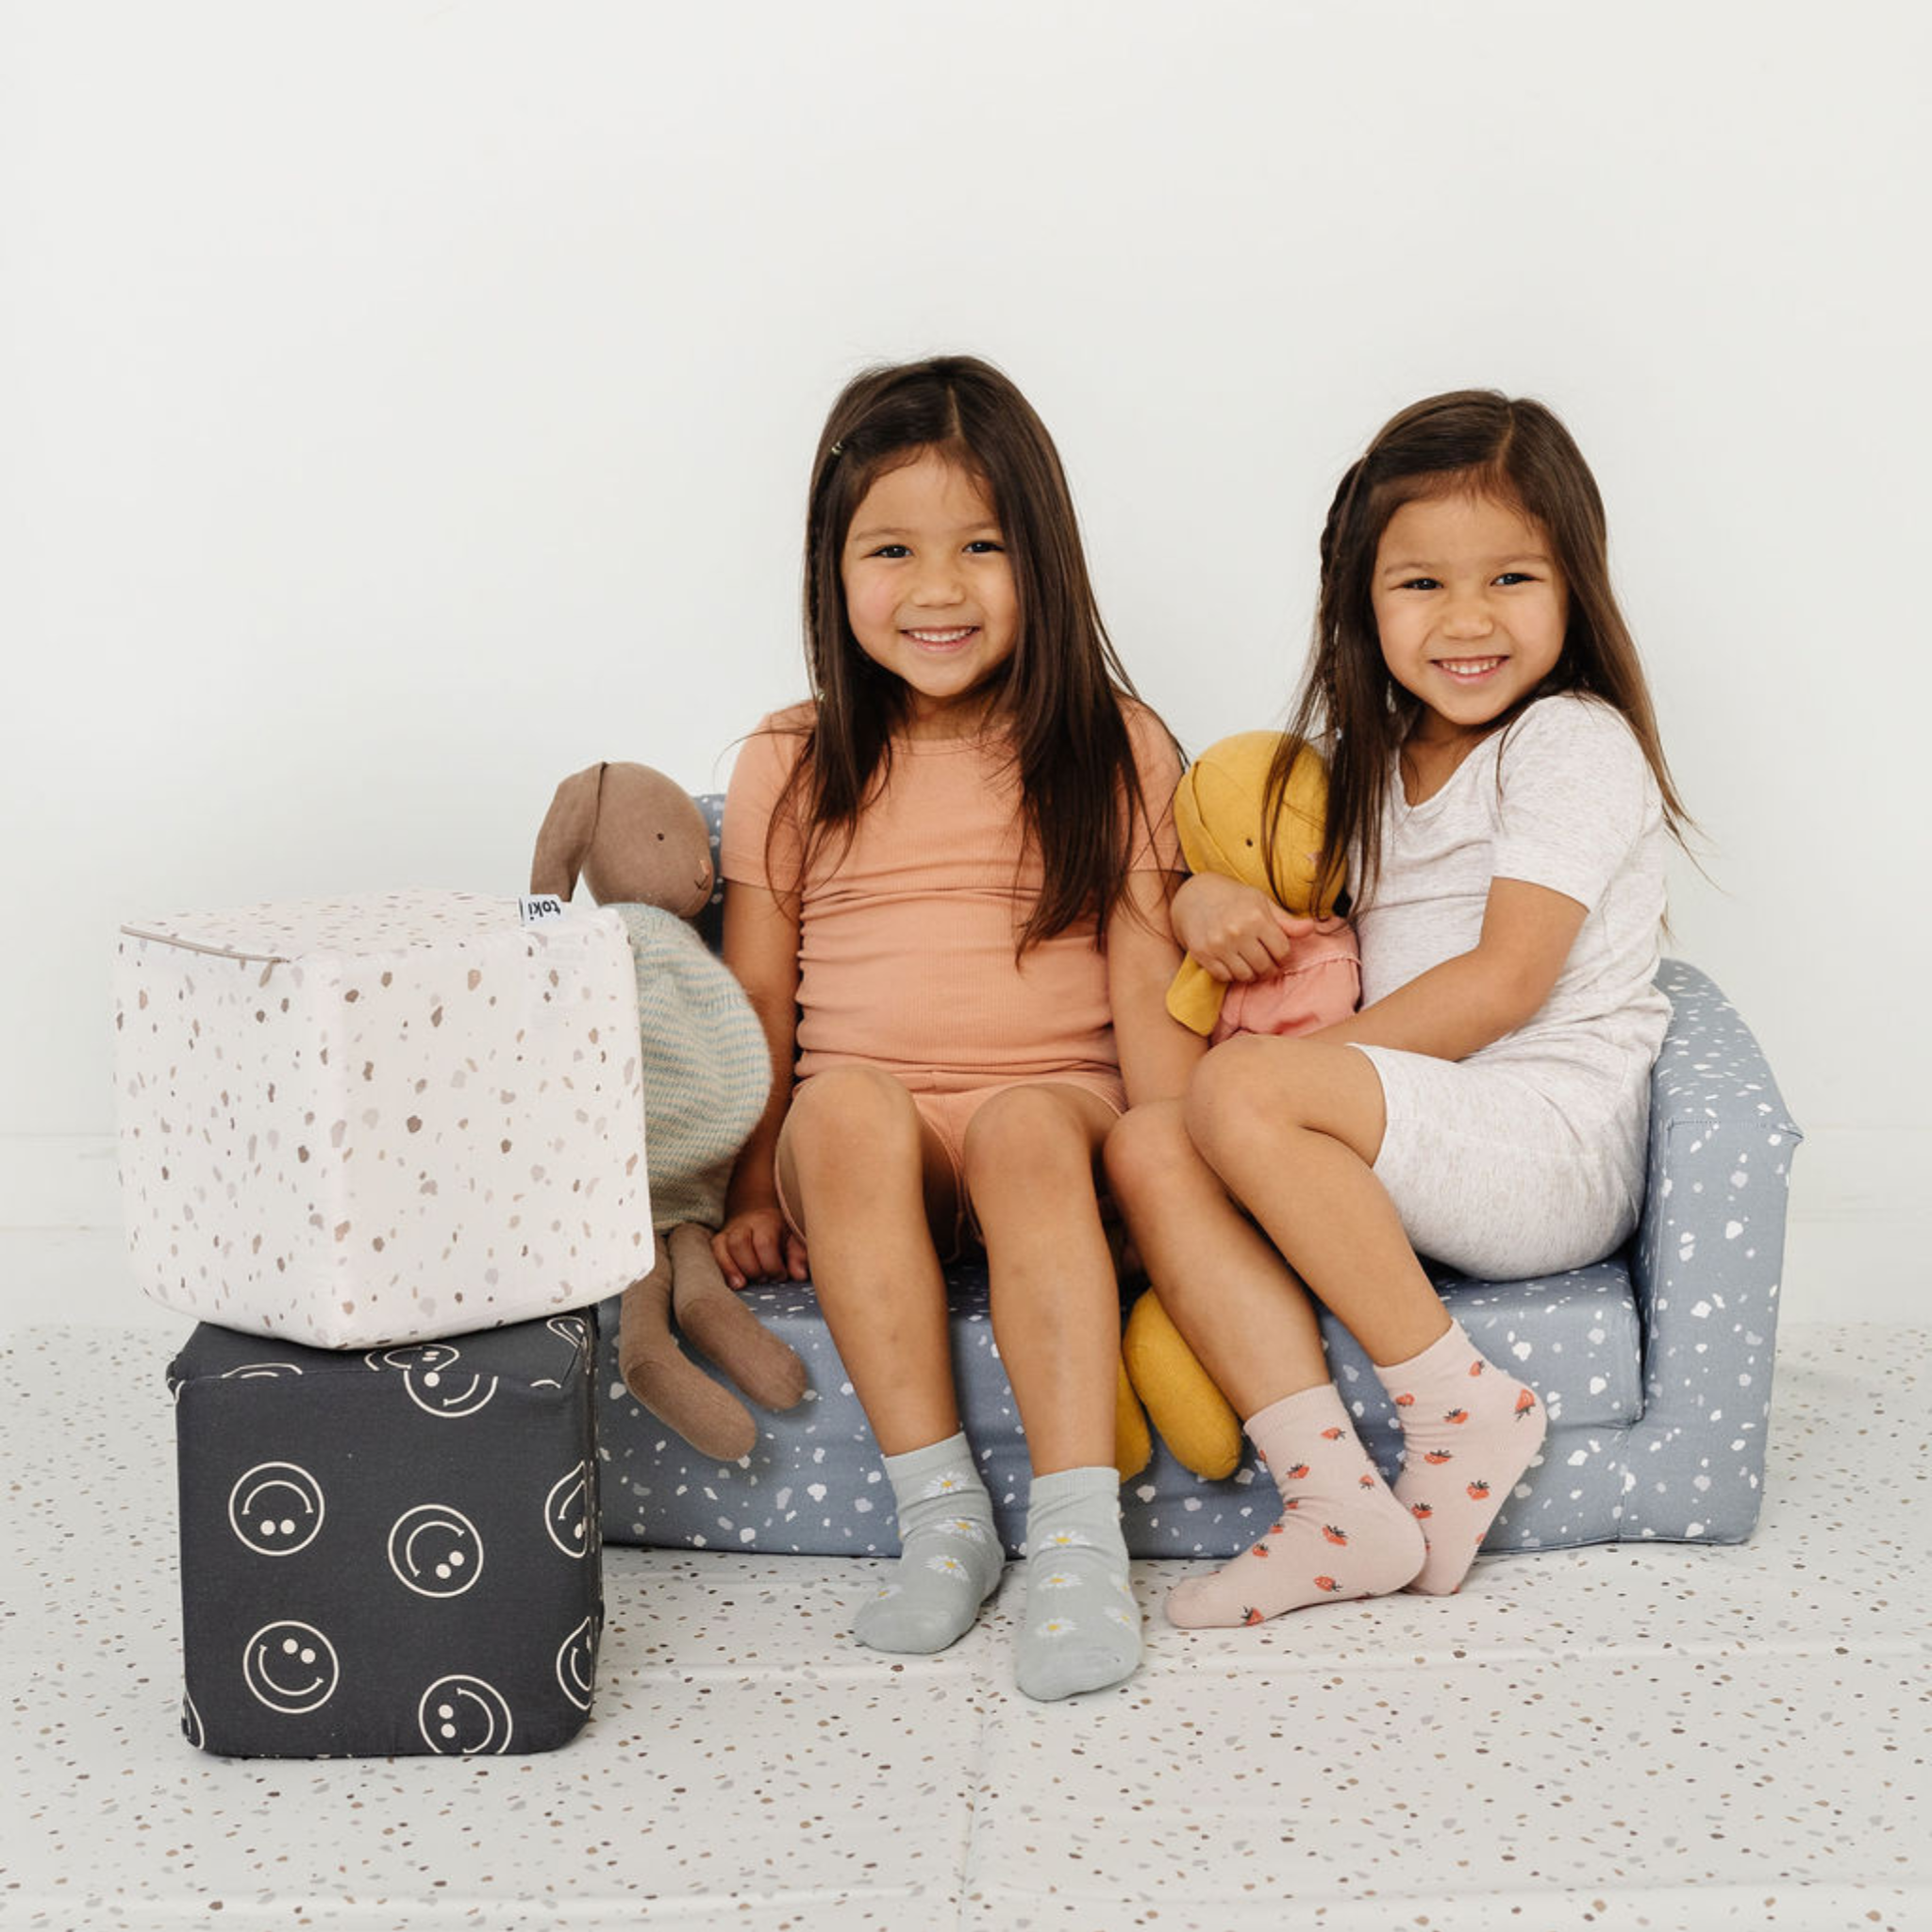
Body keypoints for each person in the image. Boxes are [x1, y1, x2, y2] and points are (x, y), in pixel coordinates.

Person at [1106, 390, 1690, 1624]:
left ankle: (1461, 1411)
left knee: (1235, 1092)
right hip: (1428, 1136)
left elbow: (1504, 983)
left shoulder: (1569, 742)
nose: (1469, 621)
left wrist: (1272, 1082)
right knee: (1150, 1142)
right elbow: (1277, 885)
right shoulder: (1364, 763)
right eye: (1423, 584)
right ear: (1360, 602)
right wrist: (1202, 891)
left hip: (1549, 1145)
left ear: (1576, 585)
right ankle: (1334, 1504)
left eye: (1513, 578)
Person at [713, 355, 1200, 1699]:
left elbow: (1152, 977)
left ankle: (1079, 1537)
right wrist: (750, 1181)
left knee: (1033, 1123)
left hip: (1060, 1119)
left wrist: (1169, 1182)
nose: (938, 589)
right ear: (834, 565)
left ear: (1043, 558)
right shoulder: (789, 759)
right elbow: (754, 994)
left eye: (981, 546)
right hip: (875, 1137)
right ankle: (942, 1519)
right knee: (847, 1106)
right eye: (893, 550)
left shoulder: (1116, 744)